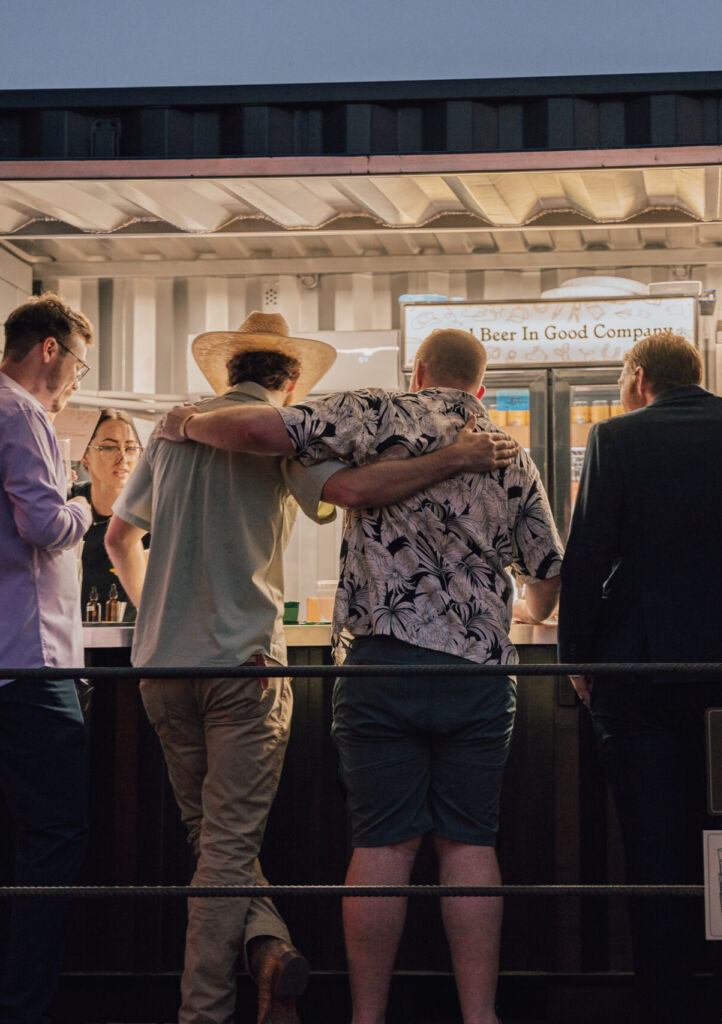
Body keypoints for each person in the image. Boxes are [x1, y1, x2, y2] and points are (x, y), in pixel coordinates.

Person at [106, 314, 512, 1024]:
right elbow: (354, 492)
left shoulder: (173, 432)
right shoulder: (287, 438)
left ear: (229, 373)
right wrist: (456, 459)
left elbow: (118, 536)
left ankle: (269, 953)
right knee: (228, 849)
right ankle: (202, 1013)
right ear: (290, 380)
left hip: (159, 665)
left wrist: (160, 616)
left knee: (211, 841)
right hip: (245, 664)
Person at [557, 331, 722, 1024]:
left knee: (654, 850)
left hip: (638, 669)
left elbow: (588, 557)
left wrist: (576, 659)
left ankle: (667, 1006)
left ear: (640, 377)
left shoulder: (616, 439)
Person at [0, 292, 95, 1024]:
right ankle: (25, 1005)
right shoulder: (22, 413)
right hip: (30, 664)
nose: (74, 383)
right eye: (77, 364)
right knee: (53, 837)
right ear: (51, 350)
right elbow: (45, 525)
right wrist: (88, 505)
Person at [73, 408, 147, 622]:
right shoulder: (69, 502)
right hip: (72, 637)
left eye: (131, 448)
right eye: (109, 447)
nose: (122, 457)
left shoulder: (151, 514)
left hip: (129, 641)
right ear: (85, 455)